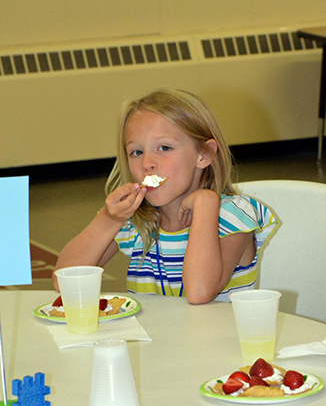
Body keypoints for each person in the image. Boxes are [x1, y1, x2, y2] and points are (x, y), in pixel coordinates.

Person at [53, 88, 277, 304]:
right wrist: (109, 219)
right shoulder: (137, 222)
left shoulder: (231, 216)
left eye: (164, 148)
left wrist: (205, 202)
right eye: (137, 152)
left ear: (204, 154)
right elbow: (64, 281)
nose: (147, 163)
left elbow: (199, 293)